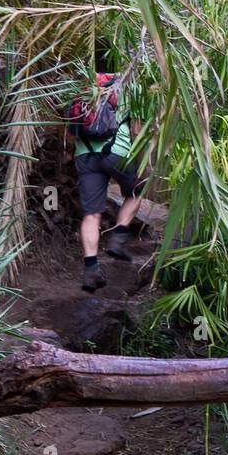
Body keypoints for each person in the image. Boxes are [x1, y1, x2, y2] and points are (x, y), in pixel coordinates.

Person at [71, 72, 147, 292]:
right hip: (117, 152)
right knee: (135, 193)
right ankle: (118, 239)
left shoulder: (81, 87)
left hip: (84, 156)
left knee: (91, 214)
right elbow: (137, 127)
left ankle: (91, 271)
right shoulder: (129, 88)